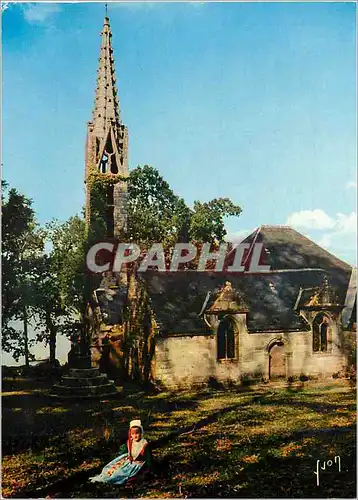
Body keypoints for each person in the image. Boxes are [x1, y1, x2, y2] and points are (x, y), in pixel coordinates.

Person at [89, 419, 152, 486]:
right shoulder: (130, 441)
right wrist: (122, 454)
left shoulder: (144, 444)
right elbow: (126, 450)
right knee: (112, 468)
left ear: (141, 433)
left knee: (120, 473)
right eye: (133, 434)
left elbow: (148, 457)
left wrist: (148, 467)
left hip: (137, 464)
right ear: (130, 434)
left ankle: (114, 479)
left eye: (137, 433)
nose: (135, 436)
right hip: (129, 460)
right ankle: (104, 477)